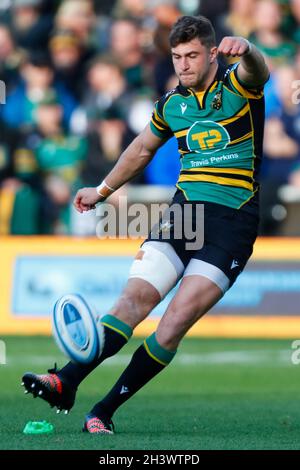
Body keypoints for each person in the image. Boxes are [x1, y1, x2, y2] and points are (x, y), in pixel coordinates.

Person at [22, 15, 269, 434]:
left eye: (193, 55)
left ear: (212, 53)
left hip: (233, 224)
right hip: (184, 215)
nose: (184, 65)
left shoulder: (237, 85)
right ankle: (65, 380)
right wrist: (100, 191)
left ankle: (102, 410)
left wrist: (248, 47)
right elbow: (139, 150)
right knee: (132, 300)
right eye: (177, 57)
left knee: (173, 323)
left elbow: (258, 69)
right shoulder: (172, 104)